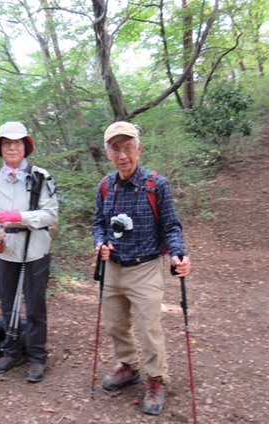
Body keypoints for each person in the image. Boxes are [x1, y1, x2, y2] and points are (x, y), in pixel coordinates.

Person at [92, 121, 191, 415]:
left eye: (128, 147)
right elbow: (98, 223)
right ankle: (128, 366)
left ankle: (156, 379)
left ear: (139, 148)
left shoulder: (156, 185)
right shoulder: (105, 186)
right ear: (108, 152)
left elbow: (171, 225)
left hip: (145, 267)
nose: (122, 155)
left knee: (149, 328)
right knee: (115, 324)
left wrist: (178, 254)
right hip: (112, 267)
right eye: (116, 149)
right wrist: (99, 243)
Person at [0, 121, 58, 383]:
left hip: (35, 250)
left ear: (25, 146)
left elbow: (50, 214)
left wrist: (19, 217)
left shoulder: (41, 176)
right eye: (6, 143)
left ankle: (37, 356)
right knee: (7, 304)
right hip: (3, 250)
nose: (12, 148)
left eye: (17, 143)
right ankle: (11, 351)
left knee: (35, 305)